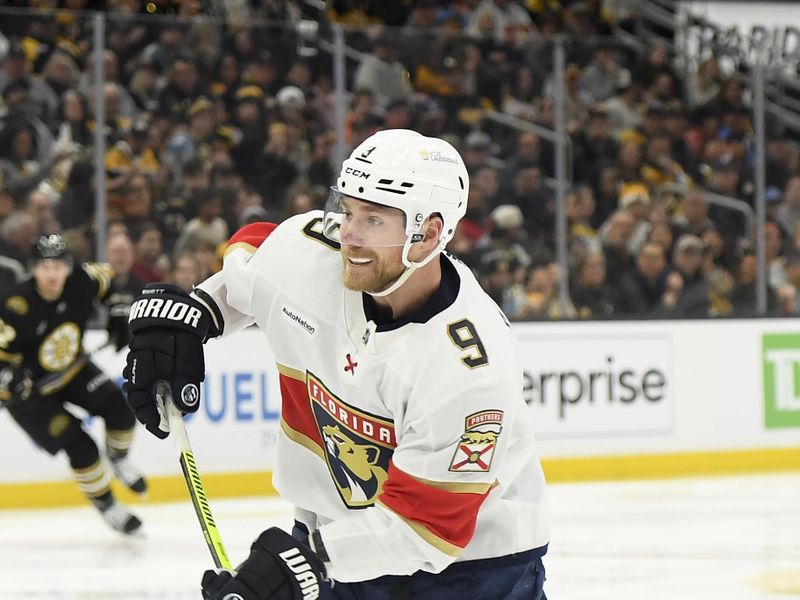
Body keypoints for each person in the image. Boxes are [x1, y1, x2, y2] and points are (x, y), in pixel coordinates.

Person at [123, 129, 549, 600]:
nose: (348, 233)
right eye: (347, 210)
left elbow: (429, 526)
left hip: (472, 571)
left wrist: (297, 568)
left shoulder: (466, 369)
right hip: (331, 544)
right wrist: (197, 314)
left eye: (373, 220)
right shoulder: (318, 258)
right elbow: (256, 252)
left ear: (427, 233)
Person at [0, 235, 147, 534]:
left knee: (120, 410)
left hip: (72, 370)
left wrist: (119, 309)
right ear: (33, 269)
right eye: (44, 266)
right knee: (81, 447)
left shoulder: (82, 279)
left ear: (68, 266)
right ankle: (106, 503)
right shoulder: (15, 306)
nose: (52, 273)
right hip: (28, 396)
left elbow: (110, 282)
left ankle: (118, 459)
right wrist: (8, 378)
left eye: (58, 265)